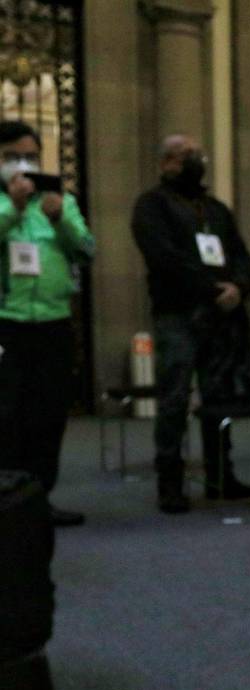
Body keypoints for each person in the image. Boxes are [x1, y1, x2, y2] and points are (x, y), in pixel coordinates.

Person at [131, 134, 250, 513]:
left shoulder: (215, 208)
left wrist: (237, 285)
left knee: (218, 395)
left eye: (196, 155)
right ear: (165, 163)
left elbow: (239, 252)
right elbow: (163, 257)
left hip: (221, 315)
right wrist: (211, 288)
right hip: (178, 314)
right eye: (185, 156)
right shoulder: (151, 205)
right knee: (174, 398)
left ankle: (222, 475)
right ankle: (169, 482)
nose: (194, 161)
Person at [0, 121, 94, 526]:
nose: (23, 164)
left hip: (54, 323)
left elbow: (87, 250)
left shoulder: (59, 200)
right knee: (8, 415)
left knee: (48, 415)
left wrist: (61, 221)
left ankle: (38, 499)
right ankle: (7, 499)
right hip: (7, 324)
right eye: (11, 157)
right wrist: (12, 207)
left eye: (30, 156)